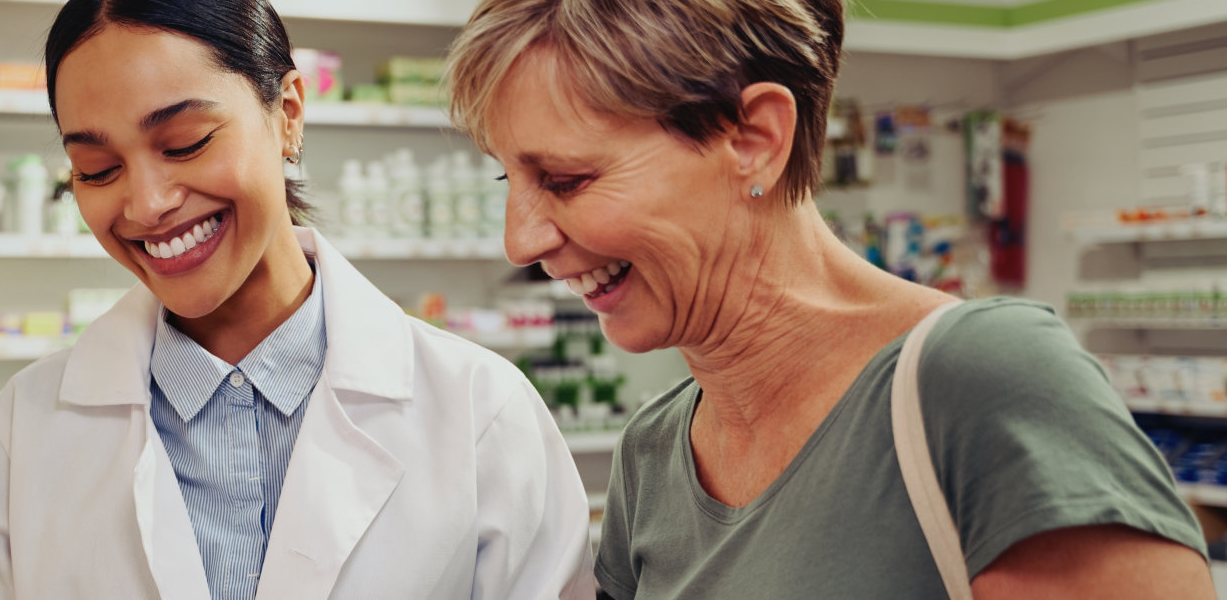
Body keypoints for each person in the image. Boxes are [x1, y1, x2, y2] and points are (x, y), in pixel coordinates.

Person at [444, 0, 1212, 598]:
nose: (521, 241)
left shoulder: (979, 382)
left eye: (567, 179)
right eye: (507, 178)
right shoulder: (655, 451)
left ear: (754, 138)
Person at [0, 0, 594, 598]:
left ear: (288, 114)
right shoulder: (23, 436)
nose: (148, 204)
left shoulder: (481, 414)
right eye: (97, 170)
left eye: (185, 143)